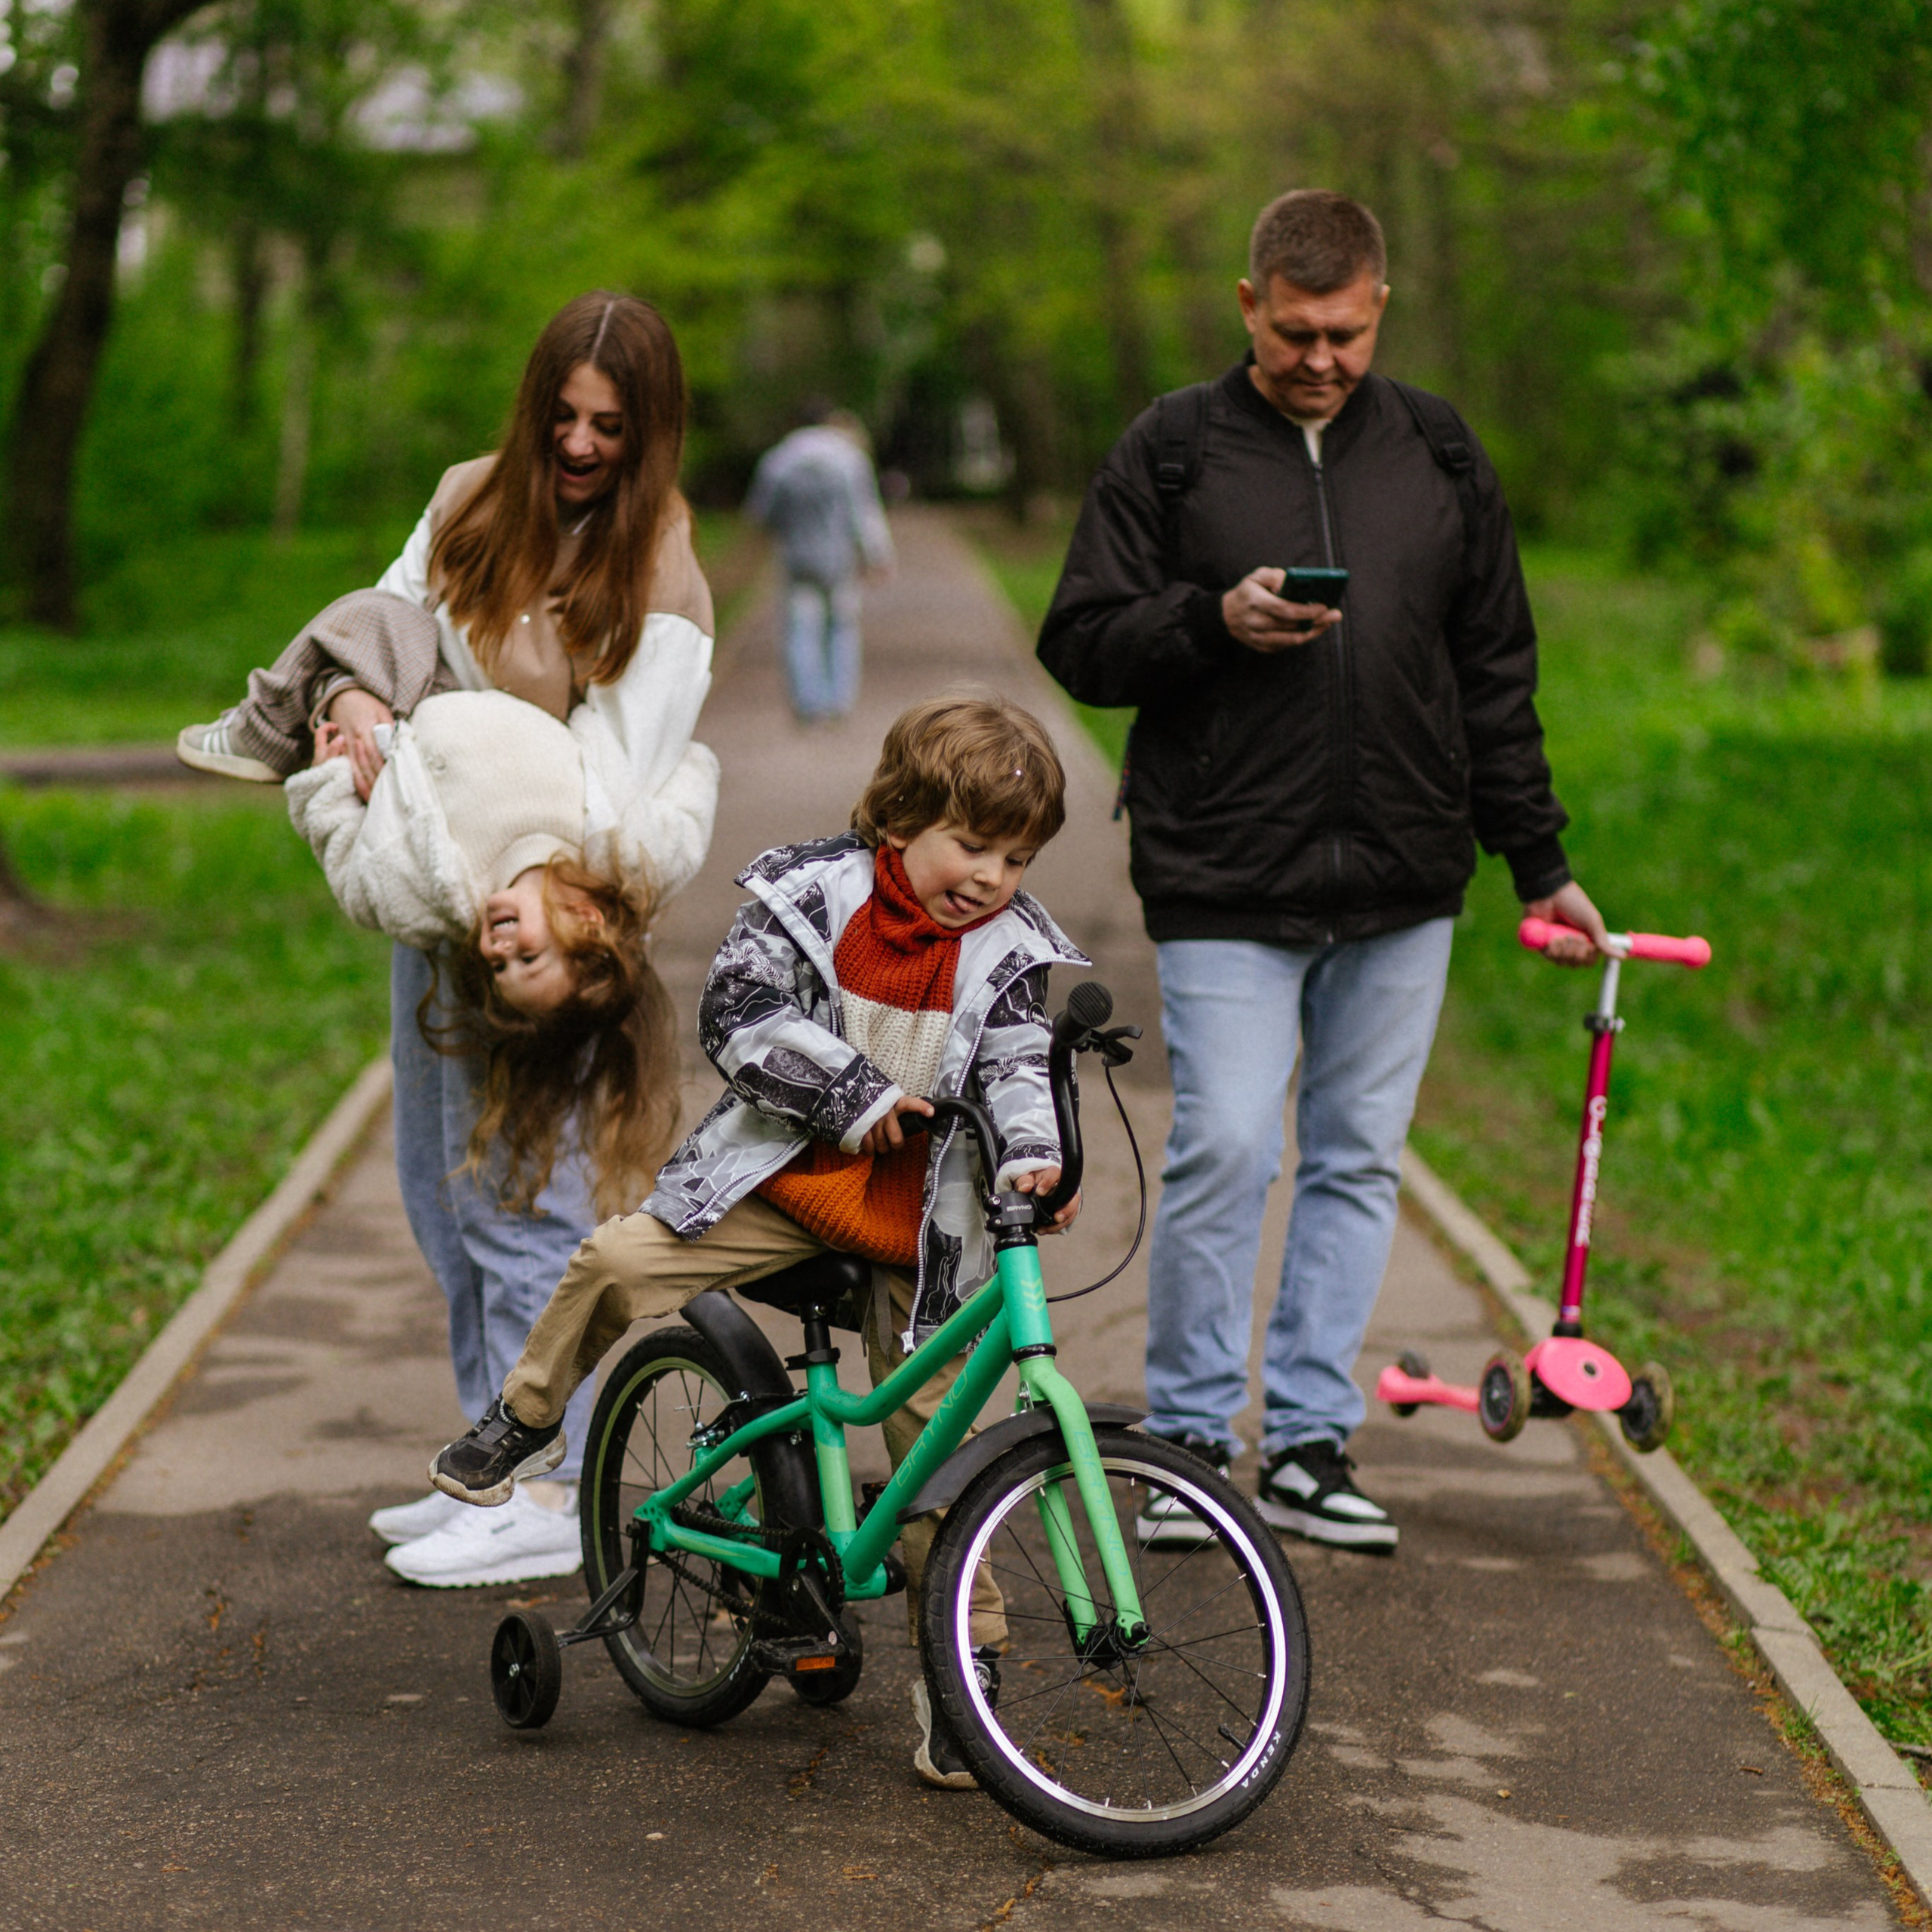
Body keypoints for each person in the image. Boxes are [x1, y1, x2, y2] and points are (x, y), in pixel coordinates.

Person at [1037, 189, 1610, 1555]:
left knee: (1356, 1160)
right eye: (1296, 333)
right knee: (1229, 1145)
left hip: (1406, 879)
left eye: (1346, 334)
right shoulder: (1173, 450)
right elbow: (1080, 640)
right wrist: (1209, 620)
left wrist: (1538, 859)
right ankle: (1188, 1442)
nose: (1321, 359)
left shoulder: (1439, 451)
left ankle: (1306, 1441)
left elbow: (1495, 670)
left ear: (1380, 308)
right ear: (1249, 306)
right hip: (1225, 873)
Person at [428, 694, 1088, 1788]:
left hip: (920, 1232)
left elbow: (1020, 1066)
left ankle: (960, 1685)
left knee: (942, 1459)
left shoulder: (1010, 950)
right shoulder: (809, 895)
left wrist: (1036, 1158)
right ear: (900, 819)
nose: (991, 877)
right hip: (786, 1184)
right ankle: (525, 1420)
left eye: (1015, 858)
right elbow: (738, 1015)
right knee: (617, 1259)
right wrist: (855, 1094)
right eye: (972, 845)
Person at [182, 291, 721, 1587]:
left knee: (523, 1206)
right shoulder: (471, 499)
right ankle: (488, 1460)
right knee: (441, 1196)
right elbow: (377, 627)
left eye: (608, 427)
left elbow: (610, 793)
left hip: (541, 932)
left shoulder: (661, 568)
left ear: (647, 434)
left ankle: (550, 1486)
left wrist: (506, 859)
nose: (579, 445)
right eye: (563, 417)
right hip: (435, 905)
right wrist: (361, 699)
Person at [745, 400, 894, 723]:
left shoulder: (778, 459)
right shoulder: (849, 457)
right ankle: (840, 701)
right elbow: (864, 512)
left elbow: (761, 514)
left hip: (797, 559)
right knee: (841, 627)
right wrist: (878, 555)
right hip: (840, 560)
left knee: (800, 629)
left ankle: (809, 704)